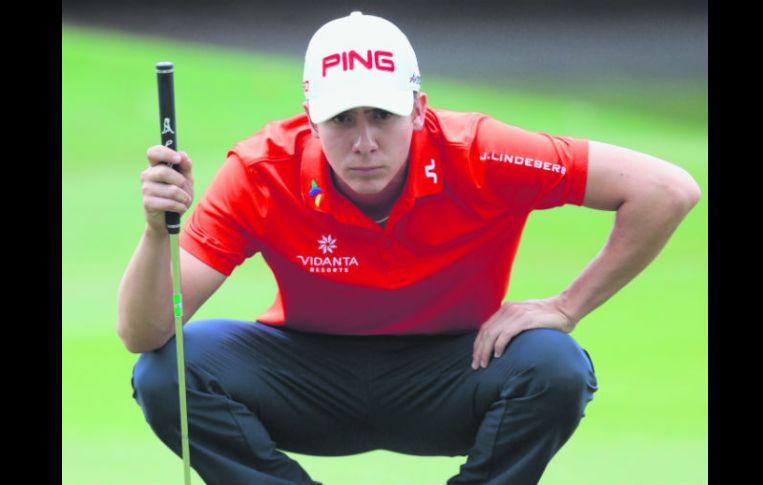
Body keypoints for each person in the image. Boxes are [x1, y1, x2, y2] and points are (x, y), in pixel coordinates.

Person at [118, 11, 701, 485]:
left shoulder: (482, 152)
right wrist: (153, 230)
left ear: (419, 110)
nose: (365, 141)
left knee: (555, 365)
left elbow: (666, 190)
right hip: (309, 375)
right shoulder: (262, 171)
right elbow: (144, 333)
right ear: (311, 120)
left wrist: (566, 307)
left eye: (383, 115)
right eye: (342, 119)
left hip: (456, 371)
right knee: (169, 372)